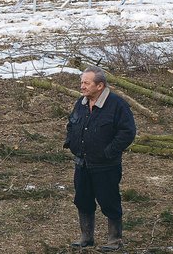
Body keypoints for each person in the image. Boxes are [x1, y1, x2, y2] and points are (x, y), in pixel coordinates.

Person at [64, 66, 136, 251]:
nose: (82, 87)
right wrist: (71, 142)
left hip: (106, 166)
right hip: (82, 163)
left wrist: (109, 152)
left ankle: (114, 240)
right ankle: (86, 237)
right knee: (83, 200)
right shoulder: (81, 103)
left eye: (86, 83)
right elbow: (71, 124)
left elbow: (127, 132)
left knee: (109, 201)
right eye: (81, 82)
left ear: (100, 85)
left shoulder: (117, 105)